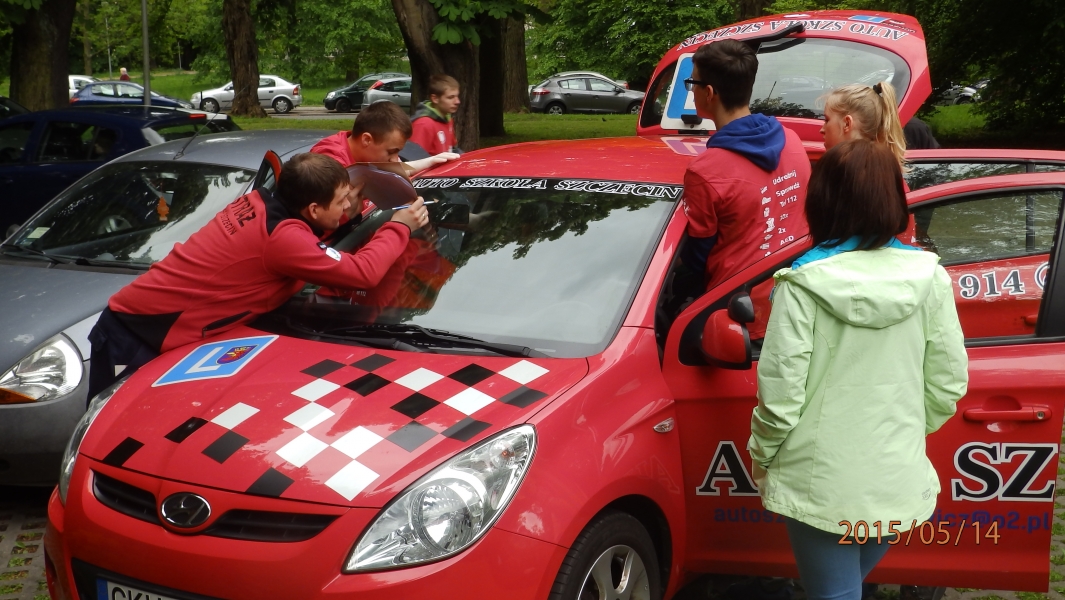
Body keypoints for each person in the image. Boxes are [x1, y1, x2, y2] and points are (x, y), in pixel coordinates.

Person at [748, 140, 968, 600]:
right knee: (846, 588)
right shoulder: (931, 277)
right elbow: (948, 384)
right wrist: (901, 433)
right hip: (894, 472)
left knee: (836, 592)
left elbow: (781, 399)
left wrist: (762, 456)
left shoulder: (800, 284)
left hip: (818, 480)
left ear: (822, 200)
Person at [86, 153, 429, 401]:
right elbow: (363, 273)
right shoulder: (282, 238)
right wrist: (398, 226)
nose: (347, 206)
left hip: (141, 323)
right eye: (342, 201)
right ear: (312, 209)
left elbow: (309, 248)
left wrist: (349, 217)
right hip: (135, 333)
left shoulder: (261, 203)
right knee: (111, 431)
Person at [679, 39, 811, 292]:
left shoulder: (704, 171)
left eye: (693, 83)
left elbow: (697, 256)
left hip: (737, 300)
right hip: (795, 285)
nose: (691, 90)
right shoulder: (792, 140)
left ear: (709, 93)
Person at [311, 101, 456, 217]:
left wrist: (428, 162)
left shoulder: (368, 154)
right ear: (367, 140)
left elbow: (394, 170)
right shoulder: (328, 162)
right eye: (391, 152)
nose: (395, 160)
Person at [410, 74, 461, 155]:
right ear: (435, 99)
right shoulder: (423, 124)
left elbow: (453, 149)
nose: (457, 102)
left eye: (457, 96)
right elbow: (413, 157)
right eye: (451, 97)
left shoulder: (447, 119)